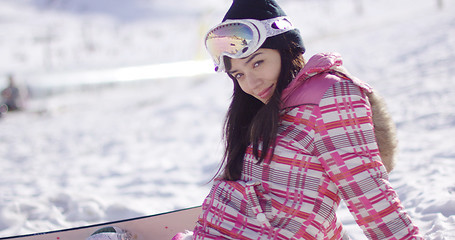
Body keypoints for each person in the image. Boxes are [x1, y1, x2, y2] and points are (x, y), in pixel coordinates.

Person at [175, 0, 423, 239]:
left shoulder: (330, 94)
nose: (250, 84)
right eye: (239, 74)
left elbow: (367, 188)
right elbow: (292, 203)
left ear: (286, 49)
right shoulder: (274, 106)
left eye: (258, 62)